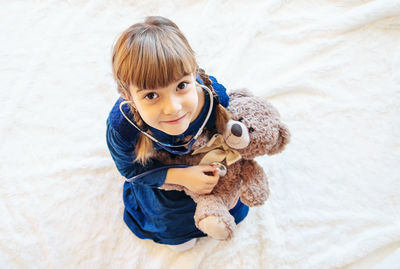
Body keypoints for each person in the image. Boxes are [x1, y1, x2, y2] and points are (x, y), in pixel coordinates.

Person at [106, 16, 249, 252]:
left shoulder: (214, 97)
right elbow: (131, 170)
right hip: (164, 182)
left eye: (181, 86)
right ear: (127, 96)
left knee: (233, 206)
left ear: (194, 75)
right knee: (173, 227)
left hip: (210, 169)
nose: (173, 107)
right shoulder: (123, 128)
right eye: (151, 95)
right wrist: (182, 176)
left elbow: (232, 126)